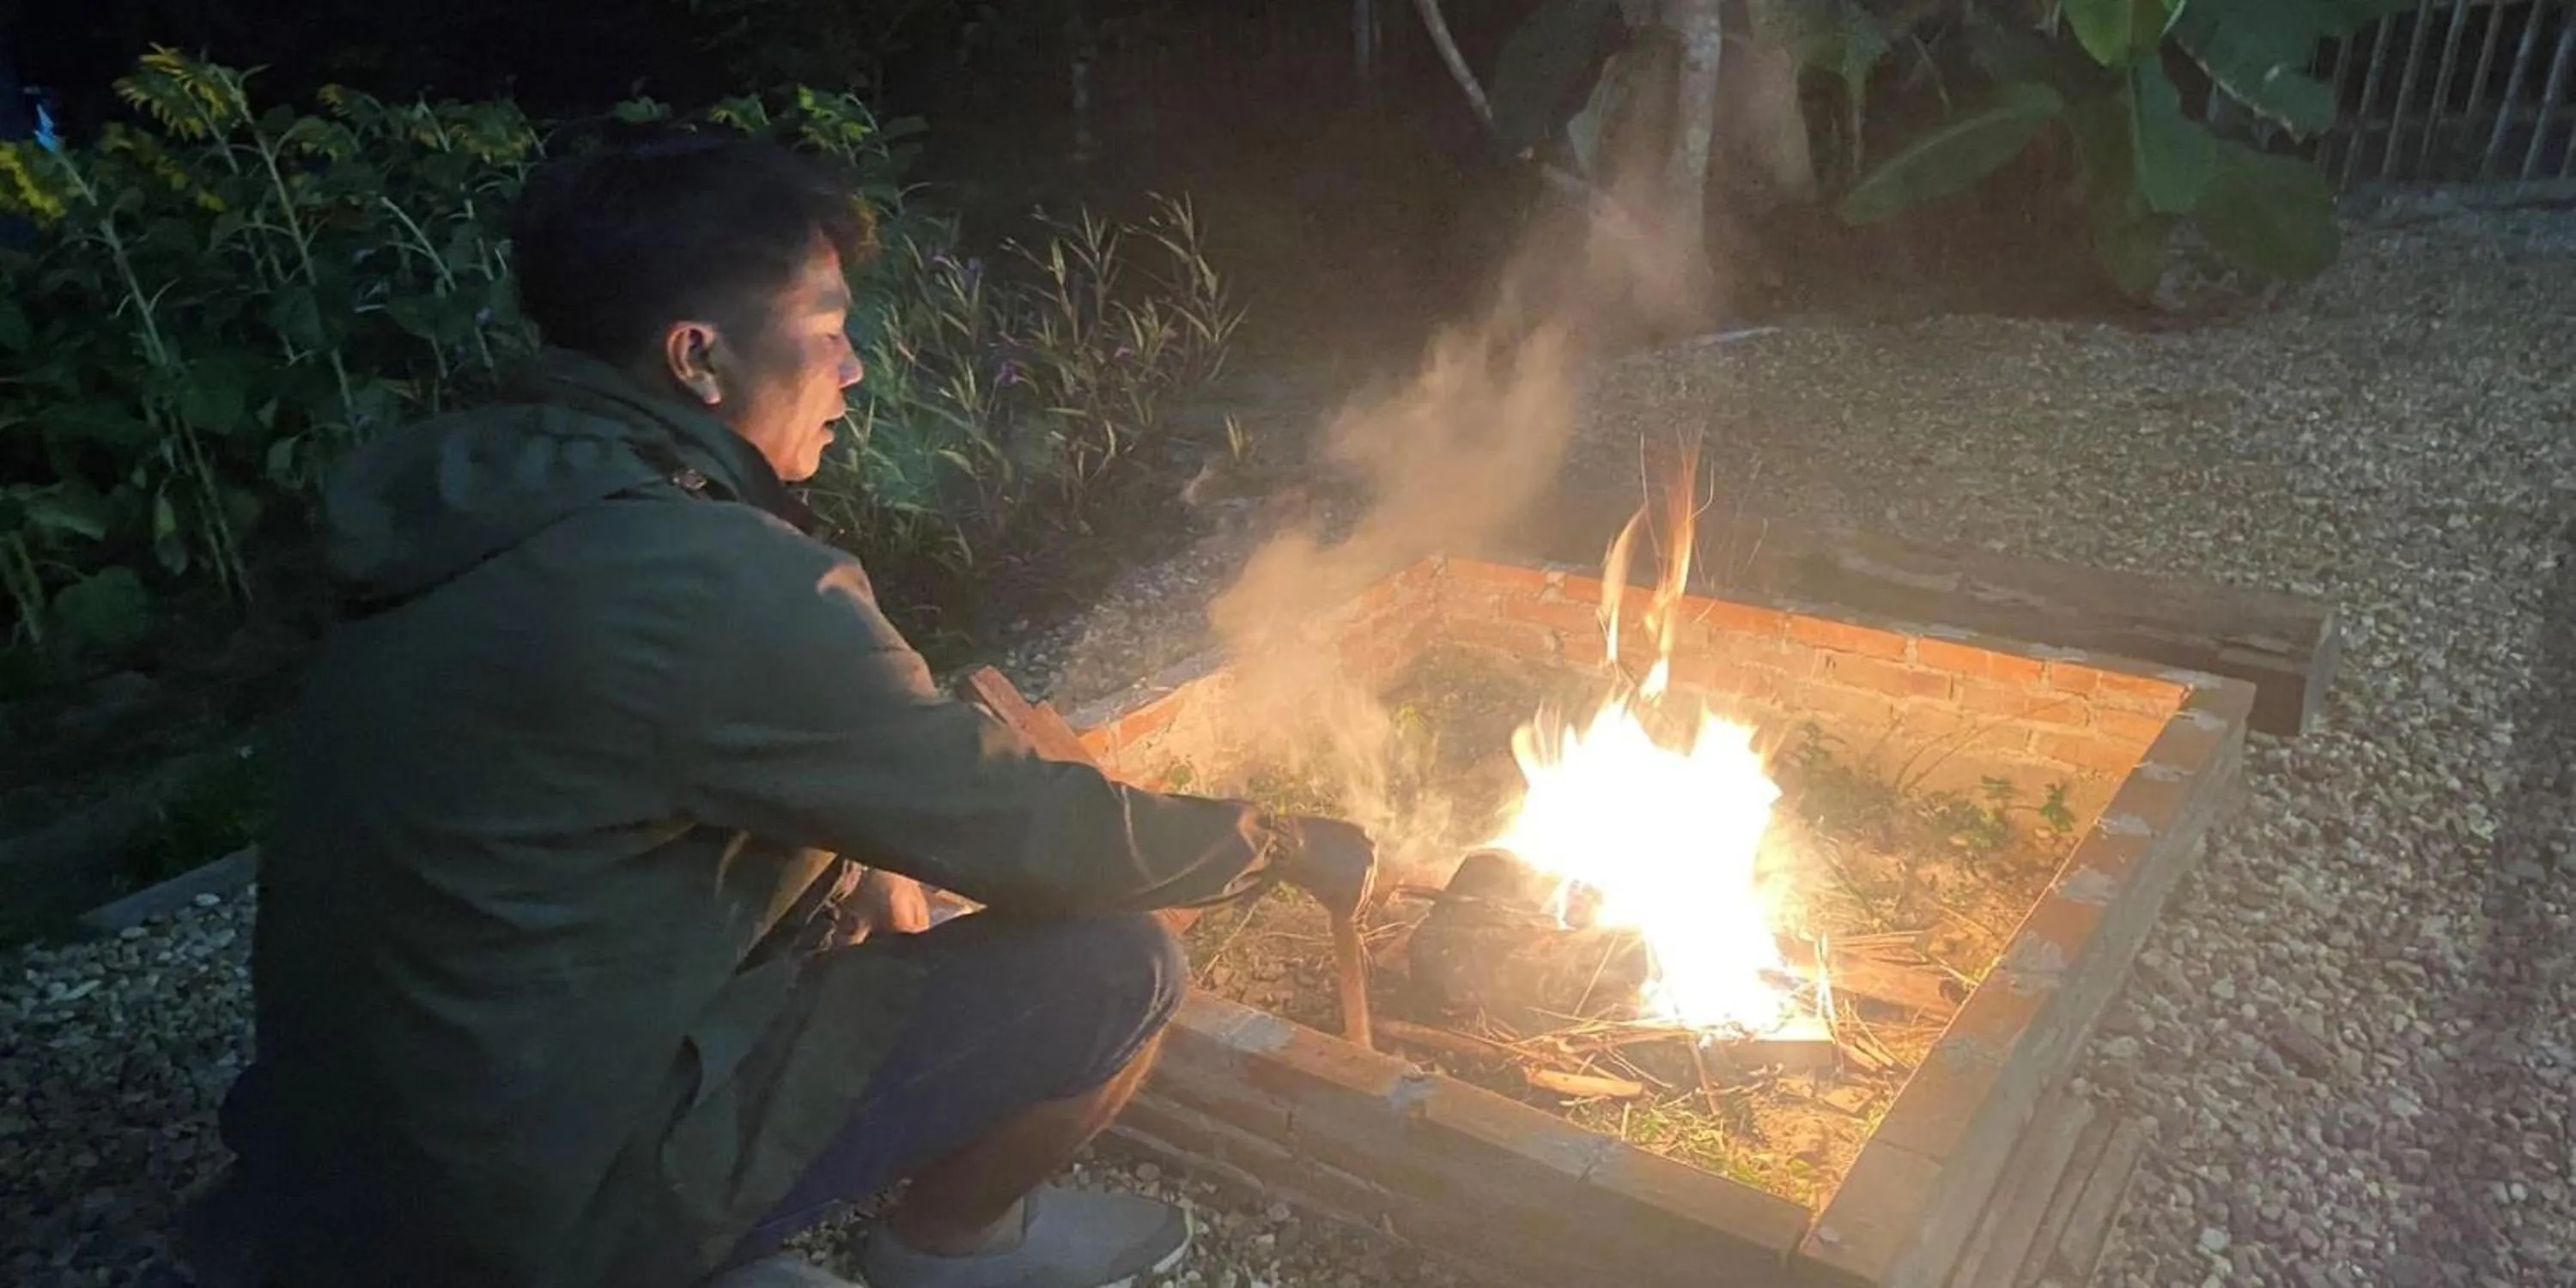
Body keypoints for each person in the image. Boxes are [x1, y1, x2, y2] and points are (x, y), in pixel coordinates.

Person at [177, 128, 1378, 1288]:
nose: (854, 370)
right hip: (522, 1220)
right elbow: (1030, 828)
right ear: (698, 358)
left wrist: (857, 862)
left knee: (867, 881)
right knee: (1115, 963)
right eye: (831, 331)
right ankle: (950, 1246)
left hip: (351, 1163)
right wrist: (1264, 842)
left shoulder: (491, 499)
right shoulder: (706, 578)